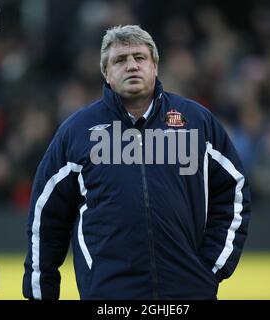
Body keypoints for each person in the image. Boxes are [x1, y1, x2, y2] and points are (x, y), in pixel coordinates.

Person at [23, 25, 251, 300]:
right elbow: (46, 220)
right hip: (109, 295)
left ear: (155, 66)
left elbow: (234, 191)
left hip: (189, 292)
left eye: (140, 58)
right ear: (106, 74)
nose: (132, 66)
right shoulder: (76, 132)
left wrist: (210, 267)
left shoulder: (197, 122)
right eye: (120, 60)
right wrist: (41, 293)